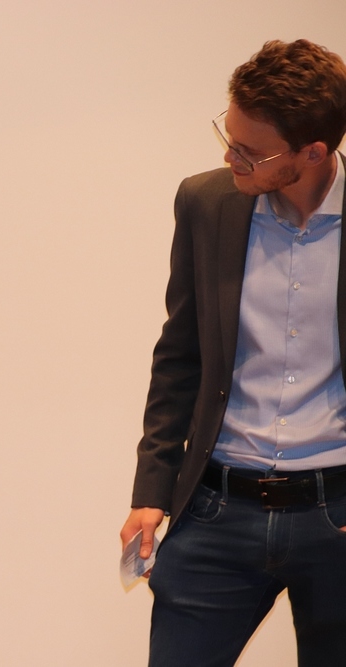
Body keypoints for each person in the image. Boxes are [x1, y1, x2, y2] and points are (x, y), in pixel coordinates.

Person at [119, 39, 346, 667]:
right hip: (218, 507)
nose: (229, 156)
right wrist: (151, 489)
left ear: (313, 152)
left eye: (250, 150)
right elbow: (179, 354)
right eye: (229, 133)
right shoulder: (206, 202)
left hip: (337, 512)